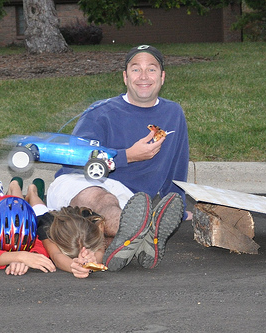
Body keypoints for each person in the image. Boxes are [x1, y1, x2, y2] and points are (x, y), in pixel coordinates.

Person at [46, 44, 191, 272]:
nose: (143, 76)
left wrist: (178, 205)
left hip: (131, 202)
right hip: (81, 185)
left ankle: (126, 241)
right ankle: (146, 233)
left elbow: (178, 162)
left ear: (162, 77)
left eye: (151, 69)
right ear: (125, 77)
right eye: (135, 69)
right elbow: (77, 159)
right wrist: (127, 156)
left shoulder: (173, 113)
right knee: (104, 201)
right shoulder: (101, 111)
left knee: (115, 216)